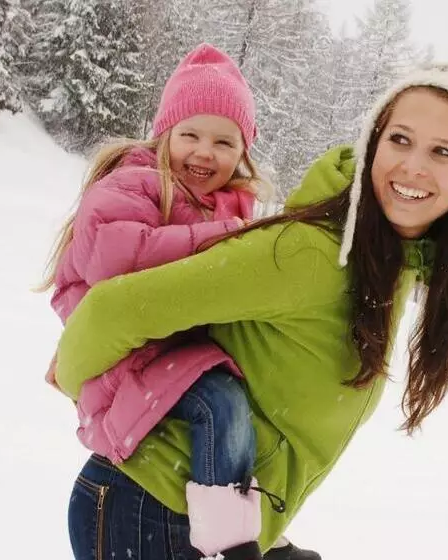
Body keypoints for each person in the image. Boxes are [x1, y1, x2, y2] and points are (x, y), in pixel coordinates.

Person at [53, 61, 448, 559]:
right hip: (151, 510)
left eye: (443, 151)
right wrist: (83, 383)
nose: (414, 166)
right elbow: (111, 311)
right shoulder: (311, 253)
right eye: (400, 139)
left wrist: (269, 538)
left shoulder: (386, 267)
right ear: (372, 144)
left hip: (193, 516)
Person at [40, 43, 313, 559]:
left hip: (166, 350)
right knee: (219, 404)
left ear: (243, 152)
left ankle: (244, 525)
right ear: (164, 134)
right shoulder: (136, 182)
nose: (205, 152)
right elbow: (112, 258)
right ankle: (233, 545)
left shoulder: (227, 206)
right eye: (190, 135)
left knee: (243, 408)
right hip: (126, 356)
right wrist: (224, 241)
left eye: (223, 141)